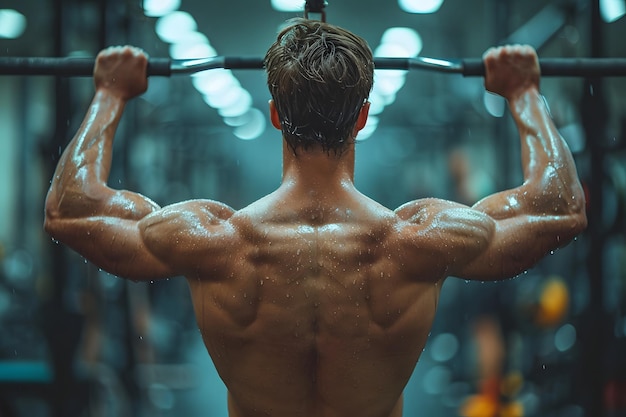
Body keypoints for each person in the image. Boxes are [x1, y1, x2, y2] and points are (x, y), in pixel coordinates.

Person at [44, 18, 587, 417]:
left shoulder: (211, 240)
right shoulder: (420, 240)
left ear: (276, 115)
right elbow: (561, 205)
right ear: (363, 118)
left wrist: (110, 93)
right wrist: (524, 92)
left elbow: (69, 208)